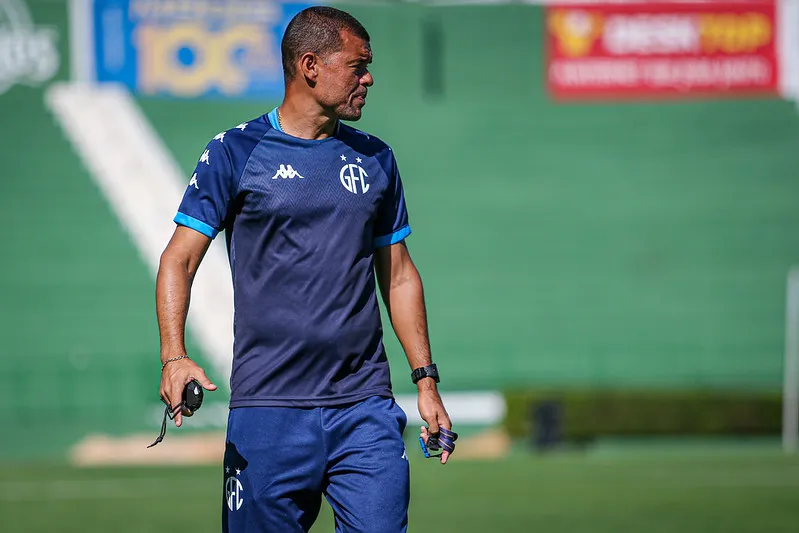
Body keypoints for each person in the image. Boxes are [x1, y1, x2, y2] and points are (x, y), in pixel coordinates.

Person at [155, 6, 456, 533]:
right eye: (358, 65)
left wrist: (425, 380)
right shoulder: (234, 152)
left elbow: (400, 275)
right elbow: (178, 258)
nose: (369, 78)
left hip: (363, 407)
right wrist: (174, 356)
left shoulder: (376, 159)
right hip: (268, 411)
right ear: (310, 65)